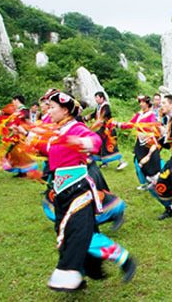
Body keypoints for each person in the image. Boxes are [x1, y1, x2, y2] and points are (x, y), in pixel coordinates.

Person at [20, 91, 136, 291]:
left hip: (78, 189)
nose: (48, 110)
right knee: (65, 233)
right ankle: (79, 275)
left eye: (52, 107)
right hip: (62, 189)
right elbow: (48, 148)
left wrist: (81, 143)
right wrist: (26, 135)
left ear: (65, 110)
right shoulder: (59, 131)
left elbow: (95, 141)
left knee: (80, 234)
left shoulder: (76, 127)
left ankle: (123, 259)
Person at [114, 96, 160, 190]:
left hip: (149, 141)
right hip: (140, 140)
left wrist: (144, 126)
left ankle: (155, 180)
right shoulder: (139, 114)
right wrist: (117, 124)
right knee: (138, 160)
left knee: (150, 161)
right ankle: (145, 182)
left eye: (143, 102)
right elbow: (130, 124)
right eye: (140, 102)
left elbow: (151, 126)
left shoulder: (152, 114)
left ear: (148, 103)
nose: (141, 104)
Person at [84, 92, 127, 171]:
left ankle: (121, 161)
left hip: (108, 130)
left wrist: (100, 120)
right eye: (95, 98)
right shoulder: (98, 107)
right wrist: (86, 118)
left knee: (111, 145)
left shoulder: (106, 106)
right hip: (102, 130)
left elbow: (106, 114)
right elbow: (94, 114)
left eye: (97, 97)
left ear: (102, 98)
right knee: (100, 145)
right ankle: (104, 163)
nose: (96, 99)